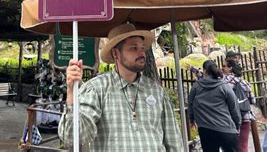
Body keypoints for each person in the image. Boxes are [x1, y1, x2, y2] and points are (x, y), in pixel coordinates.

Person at [58, 23, 183, 151]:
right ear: (116, 53)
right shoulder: (97, 89)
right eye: (134, 48)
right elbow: (72, 136)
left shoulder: (156, 91)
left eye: (142, 47)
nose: (142, 53)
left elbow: (173, 141)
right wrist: (71, 94)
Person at [188, 60, 241, 152]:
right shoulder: (224, 86)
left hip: (206, 129)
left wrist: (192, 119)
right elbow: (234, 106)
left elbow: (191, 104)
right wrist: (237, 124)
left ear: (204, 71)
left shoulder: (196, 87)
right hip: (226, 129)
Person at [223, 59, 255, 152]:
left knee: (229, 147)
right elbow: (252, 100)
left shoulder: (223, 81)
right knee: (243, 145)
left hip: (229, 117)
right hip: (245, 115)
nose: (222, 68)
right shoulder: (244, 82)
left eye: (224, 66)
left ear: (230, 68)